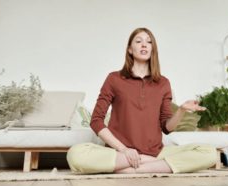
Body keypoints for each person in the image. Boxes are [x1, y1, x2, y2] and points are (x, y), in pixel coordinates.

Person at [67, 27, 217, 174]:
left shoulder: (163, 83)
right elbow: (96, 121)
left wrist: (181, 110)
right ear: (130, 50)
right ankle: (152, 165)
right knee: (75, 154)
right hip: (119, 153)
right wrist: (124, 150)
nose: (144, 44)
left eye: (149, 42)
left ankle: (134, 168)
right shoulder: (114, 79)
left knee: (209, 152)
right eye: (138, 41)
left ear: (153, 49)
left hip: (156, 153)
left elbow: (166, 127)